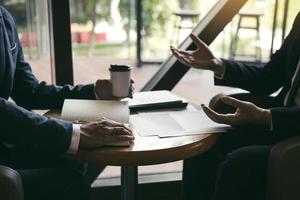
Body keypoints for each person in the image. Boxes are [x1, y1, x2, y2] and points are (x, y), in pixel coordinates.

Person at [0, 6, 134, 200]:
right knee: (70, 182)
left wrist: (94, 91)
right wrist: (74, 133)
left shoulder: (5, 18)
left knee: (73, 161)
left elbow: (29, 91)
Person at [171, 10, 300, 200]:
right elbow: (270, 77)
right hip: (279, 122)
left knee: (239, 163)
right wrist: (217, 64)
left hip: (291, 130)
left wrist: (265, 116)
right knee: (201, 144)